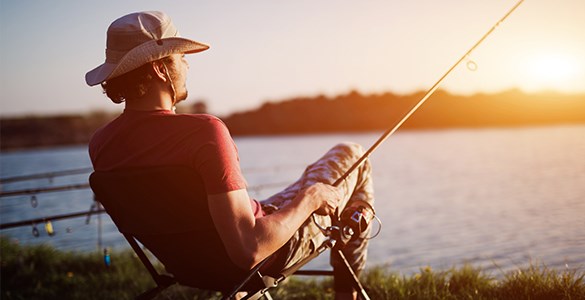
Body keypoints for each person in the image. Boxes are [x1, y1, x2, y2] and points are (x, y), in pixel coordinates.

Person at [86, 11, 375, 300]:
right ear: (161, 69)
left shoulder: (101, 145)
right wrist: (311, 199)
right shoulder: (203, 132)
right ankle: (345, 294)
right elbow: (249, 250)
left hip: (192, 265)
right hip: (263, 256)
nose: (186, 64)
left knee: (308, 185)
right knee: (352, 155)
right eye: (180, 57)